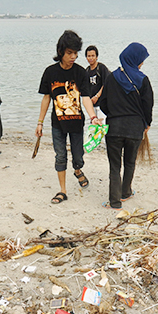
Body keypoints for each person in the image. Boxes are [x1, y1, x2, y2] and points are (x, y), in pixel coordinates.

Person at [36, 30, 101, 204]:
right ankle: (62, 190)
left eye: (76, 53)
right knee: (60, 156)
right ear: (61, 52)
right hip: (57, 123)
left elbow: (85, 97)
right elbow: (46, 98)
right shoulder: (50, 72)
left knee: (78, 157)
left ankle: (78, 170)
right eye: (70, 53)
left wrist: (93, 117)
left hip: (76, 123)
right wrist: (40, 122)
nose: (74, 56)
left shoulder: (81, 73)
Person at [98, 42, 154, 210]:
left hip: (114, 128)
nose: (142, 63)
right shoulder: (143, 80)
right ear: (136, 59)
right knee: (130, 162)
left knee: (115, 166)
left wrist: (114, 114)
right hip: (135, 128)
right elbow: (148, 105)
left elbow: (103, 104)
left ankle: (114, 203)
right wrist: (147, 123)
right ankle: (125, 193)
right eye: (141, 60)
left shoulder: (111, 77)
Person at [85, 45, 111, 124]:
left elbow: (106, 83)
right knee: (93, 127)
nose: (91, 58)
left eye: (93, 55)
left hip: (101, 104)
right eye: (89, 56)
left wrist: (97, 96)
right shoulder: (87, 71)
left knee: (102, 126)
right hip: (92, 105)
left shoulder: (101, 68)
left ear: (97, 57)